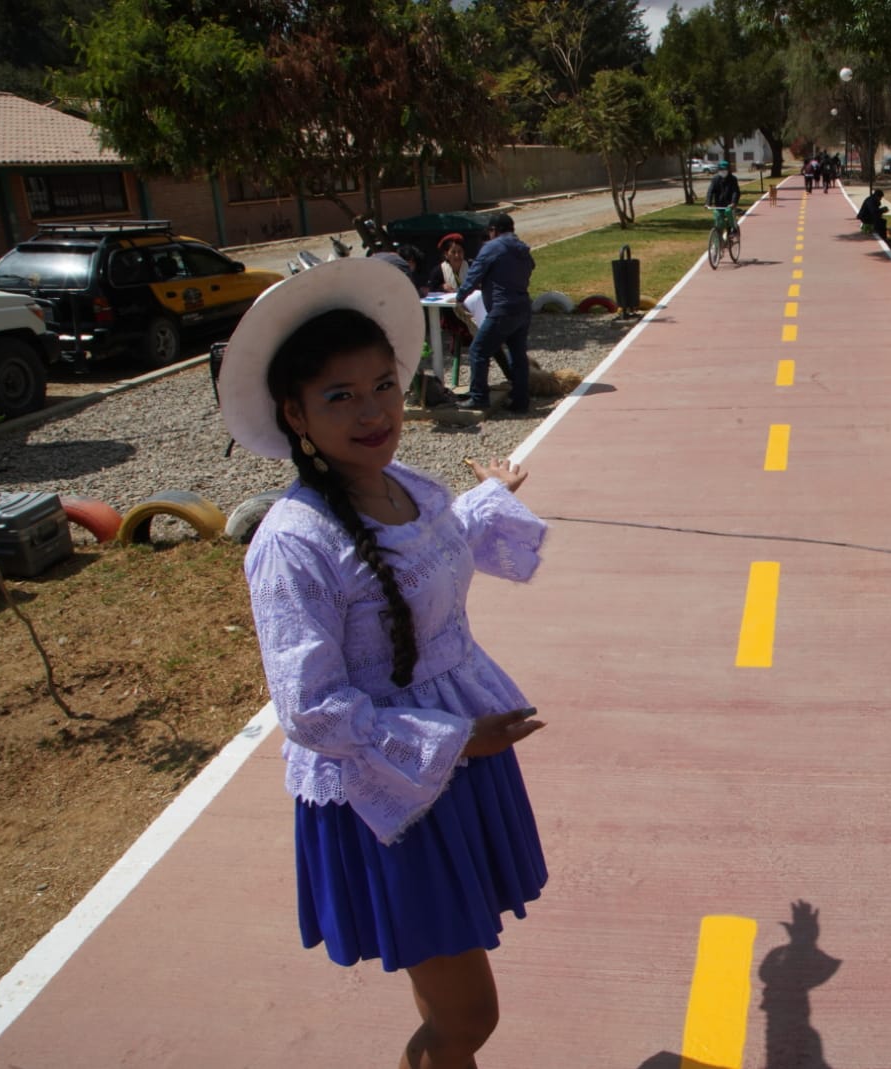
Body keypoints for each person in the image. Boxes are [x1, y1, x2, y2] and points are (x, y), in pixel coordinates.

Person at [217, 256, 549, 1069]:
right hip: (392, 787)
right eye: (340, 396)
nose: (373, 412)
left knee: (451, 1008)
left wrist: (493, 492)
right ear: (294, 413)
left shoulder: (406, 486)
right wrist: (453, 740)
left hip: (452, 763)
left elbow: (435, 548)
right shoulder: (293, 543)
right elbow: (311, 707)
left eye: (383, 387)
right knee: (467, 1019)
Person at [455, 212, 535, 414]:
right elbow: (531, 268)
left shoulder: (492, 247)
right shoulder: (522, 248)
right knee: (517, 356)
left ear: (493, 230)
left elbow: (475, 274)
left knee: (478, 350)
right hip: (522, 307)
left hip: (502, 308)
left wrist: (460, 296)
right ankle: (520, 400)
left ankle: (479, 397)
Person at [425, 232, 477, 349]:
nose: (457, 255)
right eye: (453, 252)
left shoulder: (471, 267)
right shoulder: (439, 271)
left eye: (460, 252)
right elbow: (431, 291)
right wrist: (442, 287)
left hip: (471, 307)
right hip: (452, 312)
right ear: (446, 254)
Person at [706, 160, 742, 244]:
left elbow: (735, 192)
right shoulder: (715, 179)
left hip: (729, 205)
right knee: (718, 220)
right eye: (720, 170)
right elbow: (710, 191)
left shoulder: (733, 179)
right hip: (719, 205)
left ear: (728, 170)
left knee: (728, 212)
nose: (722, 171)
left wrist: (733, 202)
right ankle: (717, 244)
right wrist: (708, 203)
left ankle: (734, 229)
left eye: (724, 169)